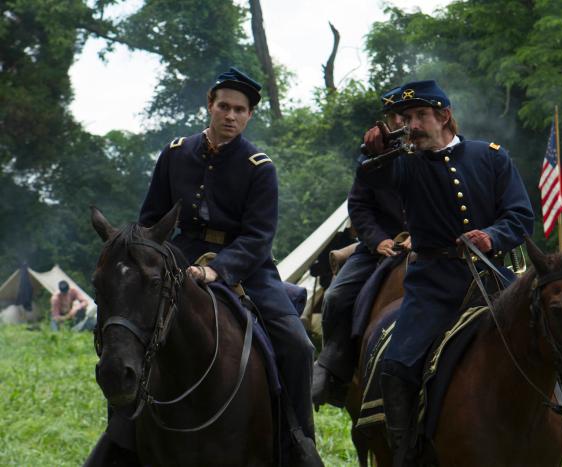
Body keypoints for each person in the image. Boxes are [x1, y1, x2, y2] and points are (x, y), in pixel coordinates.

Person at [94, 65, 317, 464]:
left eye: (240, 110)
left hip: (246, 264)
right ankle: (120, 439)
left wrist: (220, 269)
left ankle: (298, 442)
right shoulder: (176, 153)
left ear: (250, 116)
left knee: (297, 345)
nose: (231, 116)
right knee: (129, 333)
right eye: (224, 107)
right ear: (210, 106)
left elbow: (258, 235)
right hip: (178, 254)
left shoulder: (260, 168)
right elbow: (151, 218)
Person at [360, 80, 535, 466]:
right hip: (432, 287)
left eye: (420, 115)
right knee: (398, 363)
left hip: (494, 280)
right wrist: (375, 152)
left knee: (554, 341)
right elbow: (372, 180)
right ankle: (406, 454)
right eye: (403, 119)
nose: (413, 125)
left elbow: (521, 216)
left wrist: (491, 236)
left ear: (444, 116)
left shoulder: (491, 157)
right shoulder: (402, 165)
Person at [312, 87, 409, 408]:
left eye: (410, 114)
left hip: (436, 243)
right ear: (388, 120)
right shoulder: (371, 157)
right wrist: (378, 240)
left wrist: (421, 235)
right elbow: (360, 206)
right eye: (397, 115)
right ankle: (336, 369)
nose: (403, 121)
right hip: (380, 247)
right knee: (338, 296)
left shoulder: (441, 151)